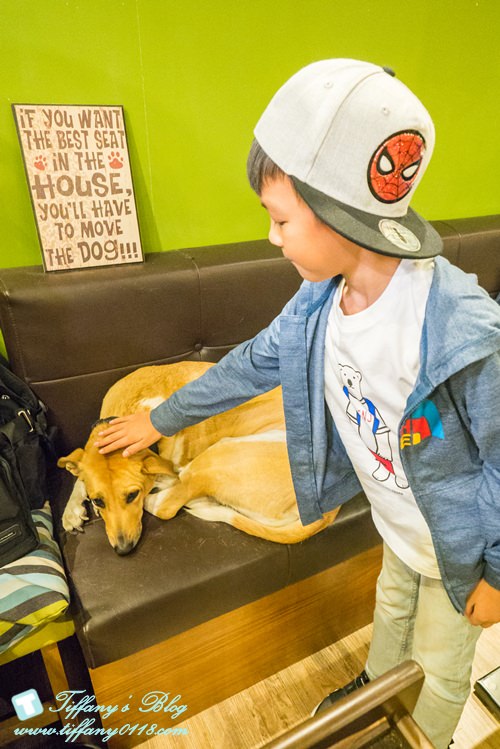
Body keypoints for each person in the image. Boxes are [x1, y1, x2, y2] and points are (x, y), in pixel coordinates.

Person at [95, 59, 500, 748]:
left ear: (344, 215)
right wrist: (157, 419)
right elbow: (252, 363)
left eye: (280, 219)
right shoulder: (321, 298)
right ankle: (375, 690)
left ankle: (419, 736)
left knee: (437, 672)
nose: (273, 237)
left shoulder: (458, 328)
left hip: (458, 550)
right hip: (399, 525)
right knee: (390, 608)